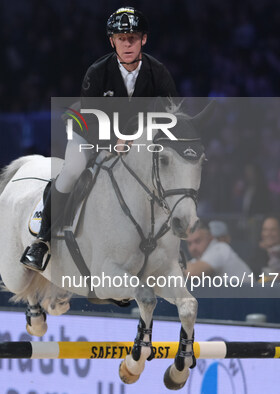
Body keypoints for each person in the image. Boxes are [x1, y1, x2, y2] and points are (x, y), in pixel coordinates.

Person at [21, 7, 178, 271]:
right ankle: (42, 241)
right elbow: (91, 117)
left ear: (144, 40)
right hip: (89, 131)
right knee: (72, 170)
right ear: (111, 41)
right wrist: (111, 142)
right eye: (120, 38)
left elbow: (171, 113)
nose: (127, 44)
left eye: (132, 38)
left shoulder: (158, 72)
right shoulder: (97, 71)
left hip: (133, 138)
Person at [184, 222, 252, 278]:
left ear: (210, 238)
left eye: (197, 241)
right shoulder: (196, 261)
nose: (193, 248)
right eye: (189, 243)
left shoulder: (220, 248)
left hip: (249, 293)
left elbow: (191, 272)